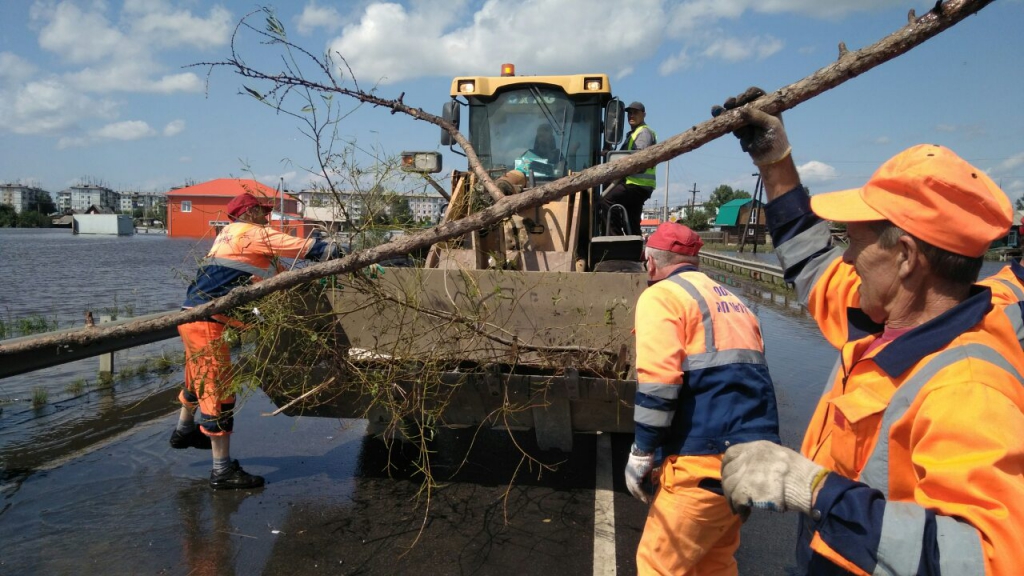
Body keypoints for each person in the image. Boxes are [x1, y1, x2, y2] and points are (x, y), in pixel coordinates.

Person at [712, 87, 1024, 575]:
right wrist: (775, 162)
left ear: (905, 257)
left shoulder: (967, 388)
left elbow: (989, 561)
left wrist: (813, 489)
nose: (847, 258)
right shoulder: (880, 323)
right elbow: (811, 261)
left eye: (854, 243)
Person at [626, 222, 781, 575]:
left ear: (650, 263)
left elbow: (659, 383)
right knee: (713, 564)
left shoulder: (662, 296)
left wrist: (642, 452)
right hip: (749, 462)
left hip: (702, 463)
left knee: (658, 566)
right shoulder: (735, 302)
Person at [170, 191, 341, 490]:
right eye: (262, 212)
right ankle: (221, 472)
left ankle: (184, 431)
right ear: (248, 214)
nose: (267, 217)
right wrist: (345, 252)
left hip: (191, 318)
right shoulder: (251, 233)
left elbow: (277, 275)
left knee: (196, 378)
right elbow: (308, 248)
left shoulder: (228, 235)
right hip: (208, 323)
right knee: (219, 392)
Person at [601, 101, 657, 236]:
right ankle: (634, 249)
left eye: (635, 113)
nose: (631, 115)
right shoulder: (633, 134)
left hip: (636, 184)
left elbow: (637, 159)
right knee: (631, 221)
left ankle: (615, 238)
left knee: (606, 199)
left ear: (644, 115)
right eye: (629, 113)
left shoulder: (643, 133)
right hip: (637, 185)